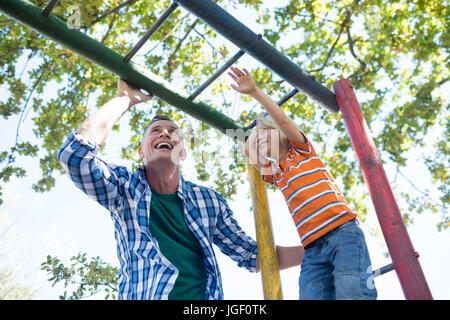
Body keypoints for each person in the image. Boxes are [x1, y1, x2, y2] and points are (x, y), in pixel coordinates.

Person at [57, 78, 303, 300]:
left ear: (183, 152)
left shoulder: (208, 201)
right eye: (156, 131)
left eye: (174, 132)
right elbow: (74, 156)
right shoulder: (123, 189)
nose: (165, 132)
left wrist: (316, 249)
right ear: (141, 151)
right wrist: (126, 99)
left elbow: (253, 255)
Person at [228, 66, 377, 300]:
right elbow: (247, 148)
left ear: (281, 134)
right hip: (312, 249)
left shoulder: (302, 151)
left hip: (342, 232)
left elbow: (284, 121)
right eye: (258, 137)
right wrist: (256, 128)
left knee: (352, 293)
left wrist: (255, 92)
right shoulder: (276, 173)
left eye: (266, 133)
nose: (260, 140)